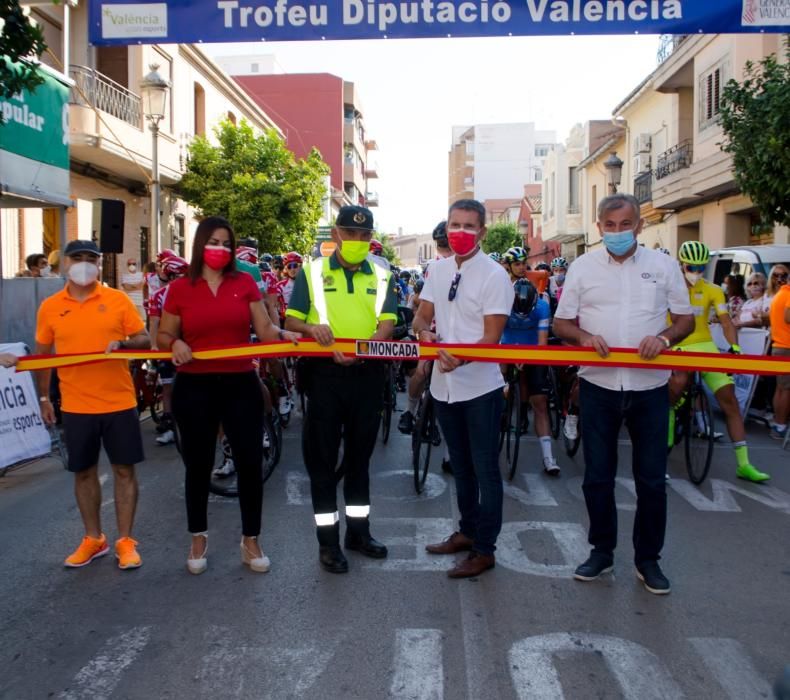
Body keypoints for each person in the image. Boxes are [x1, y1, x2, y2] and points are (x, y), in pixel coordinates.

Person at [553, 193, 694, 595]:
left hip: (650, 388)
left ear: (639, 225)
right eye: (610, 225)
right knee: (597, 478)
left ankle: (648, 560)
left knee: (651, 481)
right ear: (599, 227)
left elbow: (684, 320)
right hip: (598, 384)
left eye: (625, 224)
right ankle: (601, 551)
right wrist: (584, 336)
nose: (617, 232)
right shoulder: (582, 267)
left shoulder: (664, 266)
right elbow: (563, 324)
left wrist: (664, 338)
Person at [157, 217, 300, 575]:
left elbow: (264, 329)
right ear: (199, 245)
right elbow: (163, 335)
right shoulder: (180, 289)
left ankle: (251, 540)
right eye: (213, 242)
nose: (220, 249)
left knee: (251, 465)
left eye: (226, 243)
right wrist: (175, 343)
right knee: (198, 466)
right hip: (195, 386)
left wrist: (283, 334)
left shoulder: (245, 283)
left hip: (239, 383)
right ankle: (198, 537)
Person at [284, 205, 398, 574]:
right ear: (336, 235)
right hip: (324, 377)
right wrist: (311, 330)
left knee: (359, 461)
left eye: (364, 236)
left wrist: (363, 350)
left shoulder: (382, 273)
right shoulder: (312, 271)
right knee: (322, 464)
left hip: (367, 376)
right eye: (350, 234)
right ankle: (329, 544)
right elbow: (292, 320)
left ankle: (359, 533)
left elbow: (388, 323)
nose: (357, 241)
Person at [34, 239, 151, 569]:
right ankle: (93, 538)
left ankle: (125, 541)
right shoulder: (50, 307)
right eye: (78, 257)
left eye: (91, 258)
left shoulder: (116, 300)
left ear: (99, 264)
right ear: (65, 263)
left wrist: (124, 343)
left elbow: (144, 339)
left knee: (124, 471)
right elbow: (41, 357)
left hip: (118, 401)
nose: (84, 264)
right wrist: (44, 398)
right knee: (83, 474)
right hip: (76, 405)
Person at [413, 199, 514, 579]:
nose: (460, 232)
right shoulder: (438, 270)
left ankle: (485, 549)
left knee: (486, 469)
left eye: (469, 226)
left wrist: (461, 358)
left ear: (482, 232)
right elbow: (422, 314)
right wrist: (424, 332)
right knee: (461, 466)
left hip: (480, 388)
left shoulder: (494, 276)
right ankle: (467, 532)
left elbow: (491, 337)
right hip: (444, 388)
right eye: (454, 224)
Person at [668, 241, 770, 484]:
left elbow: (726, 322)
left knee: (730, 400)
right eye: (692, 266)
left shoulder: (714, 290)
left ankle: (744, 464)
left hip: (705, 346)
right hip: (677, 344)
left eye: (701, 267)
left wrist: (734, 347)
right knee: (677, 384)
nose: (696, 271)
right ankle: (667, 436)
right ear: (681, 264)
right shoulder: (668, 289)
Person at [500, 277, 559, 475]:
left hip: (533, 351)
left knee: (540, 403)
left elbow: (543, 343)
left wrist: (527, 356)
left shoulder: (542, 307)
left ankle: (548, 457)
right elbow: (496, 335)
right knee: (497, 387)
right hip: (506, 348)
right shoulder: (502, 303)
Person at [146, 255, 189, 446]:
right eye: (180, 276)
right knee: (168, 386)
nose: (184, 279)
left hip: (189, 347)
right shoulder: (158, 296)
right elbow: (154, 323)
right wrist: (155, 347)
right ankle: (170, 423)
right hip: (167, 347)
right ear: (171, 276)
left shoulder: (192, 293)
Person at [768, 277, 790, 441]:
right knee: (786, 389)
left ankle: (778, 422)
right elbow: (788, 317)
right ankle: (780, 426)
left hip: (779, 346)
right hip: (786, 347)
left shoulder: (781, 294)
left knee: (781, 388)